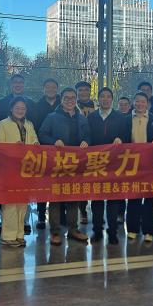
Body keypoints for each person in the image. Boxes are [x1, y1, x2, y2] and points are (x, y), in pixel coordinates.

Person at [38, 87, 90, 245]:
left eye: (72, 98)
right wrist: (54, 141)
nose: (69, 100)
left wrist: (86, 141)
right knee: (55, 198)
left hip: (76, 164)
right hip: (57, 164)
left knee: (73, 197)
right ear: (61, 100)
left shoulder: (82, 118)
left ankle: (73, 229)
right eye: (66, 98)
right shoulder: (52, 117)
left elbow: (89, 135)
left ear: (76, 100)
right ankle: (55, 232)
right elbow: (42, 134)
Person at [87, 87, 127, 244]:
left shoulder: (120, 118)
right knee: (96, 199)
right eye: (102, 96)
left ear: (112, 99)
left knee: (113, 199)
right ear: (98, 99)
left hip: (114, 163)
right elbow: (87, 136)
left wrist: (121, 139)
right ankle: (97, 231)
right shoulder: (91, 117)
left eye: (108, 96)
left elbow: (126, 136)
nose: (105, 99)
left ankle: (112, 232)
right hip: (96, 163)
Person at [0, 97, 39, 247]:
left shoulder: (29, 124)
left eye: (23, 108)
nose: (20, 111)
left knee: (22, 203)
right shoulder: (3, 124)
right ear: (11, 109)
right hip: (9, 169)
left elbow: (35, 140)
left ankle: (19, 234)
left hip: (26, 169)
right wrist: (14, 148)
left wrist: (34, 144)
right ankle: (8, 236)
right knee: (10, 203)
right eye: (17, 108)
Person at [124, 92, 153, 242]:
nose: (140, 104)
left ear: (147, 103)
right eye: (137, 101)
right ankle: (132, 228)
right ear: (133, 102)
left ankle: (149, 230)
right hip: (132, 163)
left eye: (143, 101)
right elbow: (122, 137)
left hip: (150, 163)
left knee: (150, 197)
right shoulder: (126, 119)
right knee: (133, 196)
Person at [32, 78, 61, 229]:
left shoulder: (63, 104)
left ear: (57, 89)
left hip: (61, 150)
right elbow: (34, 127)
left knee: (60, 181)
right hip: (42, 149)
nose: (51, 89)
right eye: (48, 87)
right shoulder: (37, 106)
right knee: (42, 183)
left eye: (53, 87)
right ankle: (41, 215)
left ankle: (61, 215)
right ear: (43, 89)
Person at [74, 81, 94, 224]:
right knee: (78, 180)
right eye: (80, 90)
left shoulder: (97, 106)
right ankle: (80, 210)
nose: (83, 92)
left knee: (90, 180)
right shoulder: (70, 106)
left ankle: (92, 210)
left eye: (86, 90)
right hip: (76, 148)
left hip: (94, 147)